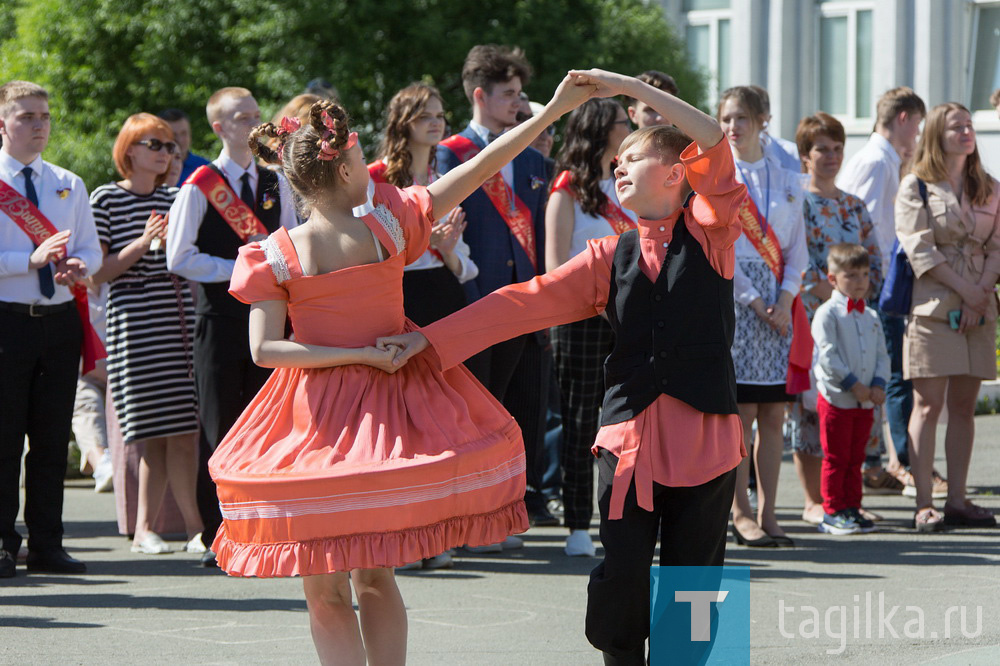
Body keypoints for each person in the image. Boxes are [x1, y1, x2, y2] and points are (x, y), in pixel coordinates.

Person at [209, 77, 594, 664]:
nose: (372, 166)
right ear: (342, 172)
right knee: (375, 575)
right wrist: (559, 109)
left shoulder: (275, 253)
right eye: (363, 158)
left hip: (310, 423)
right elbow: (489, 161)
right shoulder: (389, 224)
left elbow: (266, 351)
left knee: (323, 587)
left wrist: (351, 354)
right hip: (386, 411)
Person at [381, 68, 746, 665]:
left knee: (694, 585)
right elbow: (521, 302)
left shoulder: (713, 232)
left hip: (706, 437)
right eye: (615, 161)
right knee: (620, 578)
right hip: (630, 439)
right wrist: (428, 341)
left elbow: (711, 139)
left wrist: (630, 88)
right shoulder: (607, 254)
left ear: (678, 173)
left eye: (631, 158)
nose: (616, 167)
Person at [166, 87, 298, 566]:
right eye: (242, 118)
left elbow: (286, 243)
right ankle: (217, 533)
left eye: (257, 116)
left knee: (269, 425)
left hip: (269, 319)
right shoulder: (200, 184)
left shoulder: (274, 180)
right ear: (219, 127)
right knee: (221, 426)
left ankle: (265, 527)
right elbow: (178, 258)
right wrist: (240, 266)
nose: (253, 124)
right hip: (220, 322)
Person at [437, 44, 555, 530]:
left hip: (526, 305)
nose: (519, 103)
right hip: (475, 304)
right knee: (477, 412)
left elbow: (543, 234)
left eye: (520, 94)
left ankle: (512, 505)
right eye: (509, 94)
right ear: (480, 96)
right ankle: (470, 512)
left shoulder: (532, 162)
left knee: (526, 409)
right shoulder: (450, 153)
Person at [368, 82, 479, 569]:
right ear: (403, 122)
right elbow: (359, 253)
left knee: (439, 421)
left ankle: (434, 533)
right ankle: (399, 534)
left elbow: (465, 265)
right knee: (398, 422)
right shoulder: (372, 180)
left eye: (440, 114)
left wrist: (448, 249)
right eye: (425, 115)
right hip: (395, 297)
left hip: (442, 295)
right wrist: (414, 242)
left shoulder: (448, 174)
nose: (436, 122)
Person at [0, 80, 103, 577]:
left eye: (44, 116)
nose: (39, 125)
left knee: (50, 437)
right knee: (3, 438)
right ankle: (2, 543)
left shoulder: (68, 181)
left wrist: (78, 266)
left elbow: (90, 247)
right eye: (26, 117)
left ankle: (47, 543)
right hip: (7, 321)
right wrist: (30, 259)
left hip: (58, 320)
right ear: (3, 123)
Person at [90, 113, 203, 554]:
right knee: (149, 429)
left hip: (178, 317)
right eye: (155, 144)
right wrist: (142, 241)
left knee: (182, 428)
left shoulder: (179, 197)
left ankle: (195, 529)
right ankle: (144, 530)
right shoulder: (105, 199)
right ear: (130, 149)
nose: (166, 153)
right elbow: (98, 273)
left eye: (171, 146)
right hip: (133, 322)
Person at [895, 102, 1000, 532]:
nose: (966, 132)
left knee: (963, 406)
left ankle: (957, 499)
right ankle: (924, 503)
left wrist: (980, 295)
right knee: (927, 404)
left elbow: (997, 246)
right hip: (934, 307)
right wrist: (969, 291)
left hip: (978, 308)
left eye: (969, 126)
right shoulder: (915, 186)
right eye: (957, 126)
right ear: (937, 134)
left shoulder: (989, 186)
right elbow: (919, 249)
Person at [718, 86, 808, 548]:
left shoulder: (789, 178)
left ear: (762, 120)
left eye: (743, 118)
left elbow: (798, 250)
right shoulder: (718, 178)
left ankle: (772, 511)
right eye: (727, 118)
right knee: (742, 413)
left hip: (780, 303)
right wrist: (755, 302)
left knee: (774, 413)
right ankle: (741, 511)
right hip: (736, 302)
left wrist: (787, 300)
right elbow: (720, 247)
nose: (734, 127)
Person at [545, 98, 635, 557]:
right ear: (601, 129)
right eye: (624, 121)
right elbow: (554, 266)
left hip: (628, 319)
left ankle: (624, 519)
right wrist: (596, 302)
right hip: (579, 320)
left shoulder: (630, 183)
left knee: (630, 420)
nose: (632, 126)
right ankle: (578, 522)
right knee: (582, 423)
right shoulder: (567, 189)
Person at [787, 112, 883, 526]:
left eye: (837, 148)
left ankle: (846, 497)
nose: (831, 156)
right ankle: (814, 499)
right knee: (812, 409)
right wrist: (822, 291)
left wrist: (860, 291)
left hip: (855, 317)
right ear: (805, 156)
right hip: (811, 316)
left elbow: (873, 258)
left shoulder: (853, 205)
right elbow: (791, 256)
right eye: (822, 148)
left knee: (853, 412)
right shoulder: (798, 201)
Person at [838, 87, 928, 496]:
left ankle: (877, 462)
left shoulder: (885, 159)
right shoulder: (877, 161)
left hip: (875, 284)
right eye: (918, 126)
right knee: (889, 376)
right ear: (905, 118)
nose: (918, 136)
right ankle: (892, 462)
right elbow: (868, 229)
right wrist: (872, 286)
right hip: (875, 284)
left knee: (885, 374)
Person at [811, 243, 889, 535]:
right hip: (837, 399)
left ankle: (852, 507)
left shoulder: (870, 316)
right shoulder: (827, 314)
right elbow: (827, 356)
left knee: (857, 457)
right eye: (852, 275)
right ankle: (832, 510)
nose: (860, 282)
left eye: (865, 275)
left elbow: (883, 354)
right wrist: (853, 385)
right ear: (833, 278)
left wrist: (878, 384)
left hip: (866, 400)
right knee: (836, 457)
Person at [748, 85, 801, 173]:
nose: (734, 126)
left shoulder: (792, 152)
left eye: (743, 117)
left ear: (767, 119)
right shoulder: (725, 155)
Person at [157, 108, 210, 186]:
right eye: (173, 135)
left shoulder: (205, 169)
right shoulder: (151, 167)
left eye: (184, 133)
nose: (179, 140)